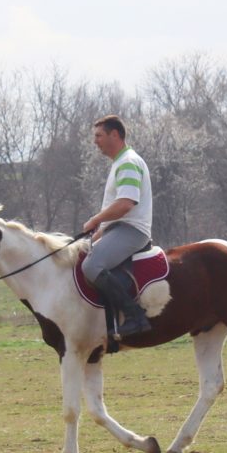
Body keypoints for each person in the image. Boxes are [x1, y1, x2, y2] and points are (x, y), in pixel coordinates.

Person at [81, 115, 152, 337]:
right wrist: (97, 235)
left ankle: (136, 317)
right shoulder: (120, 163)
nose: (95, 141)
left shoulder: (128, 163)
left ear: (114, 135)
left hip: (132, 230)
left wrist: (95, 220)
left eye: (99, 136)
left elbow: (125, 204)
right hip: (120, 229)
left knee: (91, 266)